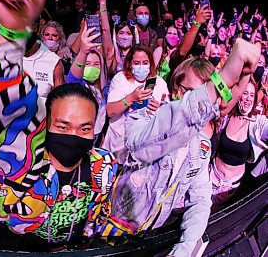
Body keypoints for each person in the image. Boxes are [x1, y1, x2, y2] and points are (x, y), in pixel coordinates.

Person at [0, 0, 117, 251]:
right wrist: (11, 32)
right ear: (47, 122)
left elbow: (97, 220)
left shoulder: (103, 168)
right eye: (63, 125)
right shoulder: (24, 165)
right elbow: (3, 113)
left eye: (84, 128)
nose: (73, 135)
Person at [102, 39, 261, 256]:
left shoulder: (201, 147)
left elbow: (200, 200)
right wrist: (220, 81)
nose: (199, 102)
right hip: (109, 236)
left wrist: (184, 250)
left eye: (206, 95)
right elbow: (146, 145)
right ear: (176, 88)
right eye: (191, 92)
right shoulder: (142, 120)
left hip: (150, 238)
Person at [104, 45, 169, 160]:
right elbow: (110, 111)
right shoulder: (120, 79)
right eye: (137, 63)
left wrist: (160, 109)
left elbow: (168, 116)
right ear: (129, 64)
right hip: (119, 145)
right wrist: (131, 98)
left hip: (146, 147)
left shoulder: (159, 83)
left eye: (145, 63)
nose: (141, 67)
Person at [211, 80, 267, 207]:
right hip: (211, 177)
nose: (248, 99)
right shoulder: (226, 115)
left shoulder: (257, 124)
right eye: (245, 93)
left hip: (231, 188)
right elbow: (217, 79)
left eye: (252, 95)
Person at [66, 25, 107, 145]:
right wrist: (83, 52)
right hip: (78, 140)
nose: (92, 67)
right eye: (88, 63)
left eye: (96, 64)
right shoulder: (78, 86)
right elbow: (73, 77)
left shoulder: (100, 90)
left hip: (95, 140)